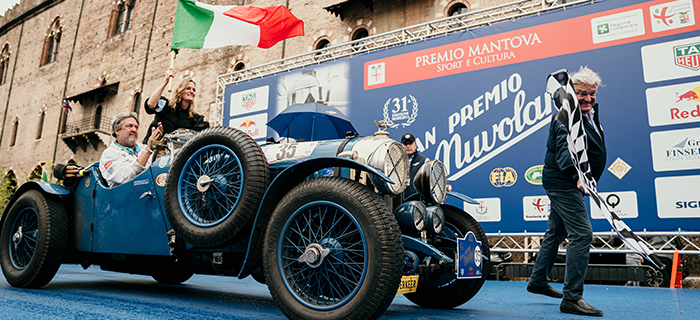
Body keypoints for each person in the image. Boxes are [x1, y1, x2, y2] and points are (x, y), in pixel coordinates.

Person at [527, 67, 606, 317]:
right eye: (582, 93)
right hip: (564, 182)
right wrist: (578, 176)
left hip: (568, 181)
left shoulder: (589, 113)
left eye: (591, 94)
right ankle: (572, 298)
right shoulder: (565, 115)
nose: (588, 98)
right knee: (582, 234)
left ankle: (538, 280)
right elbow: (564, 151)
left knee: (557, 231)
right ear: (572, 92)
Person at [142, 68, 209, 144]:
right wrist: (166, 81)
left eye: (194, 90)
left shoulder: (194, 119)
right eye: (188, 88)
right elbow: (151, 104)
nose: (192, 92)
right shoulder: (166, 107)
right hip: (152, 149)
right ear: (180, 90)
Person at [99, 112, 163, 187]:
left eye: (136, 127)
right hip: (126, 196)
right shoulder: (109, 154)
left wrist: (159, 147)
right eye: (129, 126)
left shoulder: (143, 147)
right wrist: (148, 150)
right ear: (117, 131)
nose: (134, 130)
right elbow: (125, 177)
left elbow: (160, 166)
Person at [402, 133, 428, 197]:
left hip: (418, 202)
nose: (408, 146)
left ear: (415, 145)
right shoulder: (396, 163)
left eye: (410, 143)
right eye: (405, 144)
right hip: (400, 202)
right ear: (401, 146)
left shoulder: (424, 161)